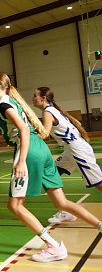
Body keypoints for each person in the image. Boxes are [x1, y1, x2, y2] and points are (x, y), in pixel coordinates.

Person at [0, 72, 102, 262]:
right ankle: (99, 225)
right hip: (42, 150)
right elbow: (22, 128)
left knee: (15, 205)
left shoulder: (3, 104)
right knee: (62, 203)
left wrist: (22, 160)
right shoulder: (14, 102)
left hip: (29, 151)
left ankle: (53, 246)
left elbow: (23, 130)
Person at [33, 86, 102, 224]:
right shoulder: (54, 110)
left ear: (43, 98)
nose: (33, 99)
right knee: (50, 175)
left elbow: (45, 134)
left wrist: (27, 139)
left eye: (35, 96)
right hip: (70, 150)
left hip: (77, 149)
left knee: (99, 184)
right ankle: (65, 212)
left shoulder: (48, 112)